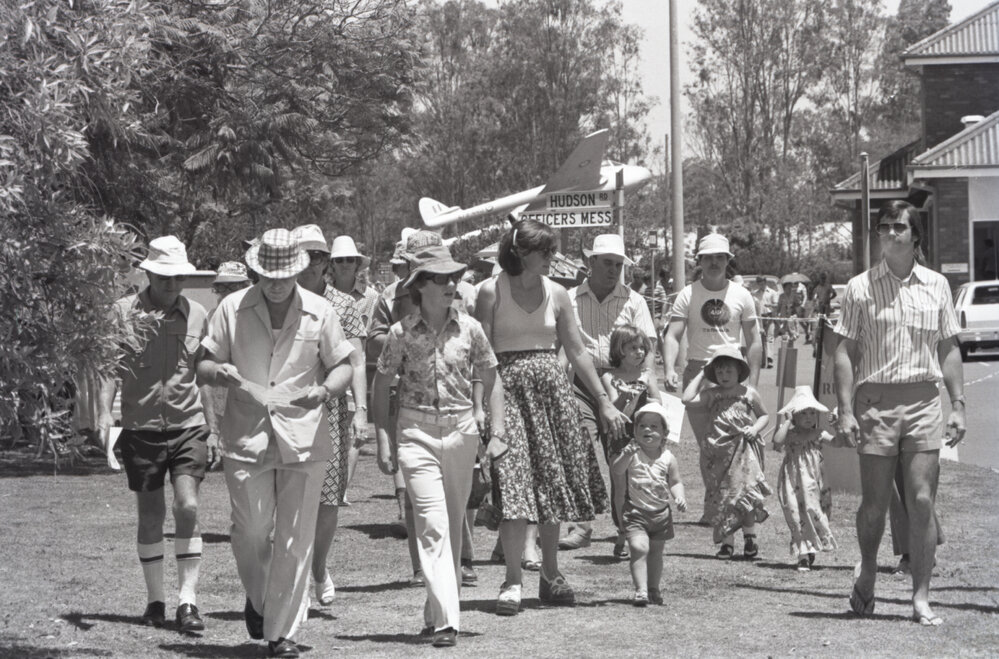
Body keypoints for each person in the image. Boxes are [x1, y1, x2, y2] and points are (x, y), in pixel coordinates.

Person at [198, 228, 354, 658]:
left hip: (305, 438)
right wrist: (220, 373)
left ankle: (279, 633)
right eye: (267, 274)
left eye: (284, 274)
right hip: (246, 436)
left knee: (294, 538)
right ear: (255, 270)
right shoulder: (231, 308)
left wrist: (324, 392)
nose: (276, 282)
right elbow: (204, 364)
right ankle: (261, 597)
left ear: (299, 270)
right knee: (250, 530)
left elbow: (343, 366)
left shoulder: (321, 312)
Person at [474, 219, 626, 615]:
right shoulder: (491, 291)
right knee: (512, 485)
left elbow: (577, 351)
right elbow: (483, 358)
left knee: (549, 485)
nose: (551, 259)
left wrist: (603, 399)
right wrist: (480, 408)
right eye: (545, 253)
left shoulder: (558, 294)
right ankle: (511, 580)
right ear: (521, 252)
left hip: (551, 395)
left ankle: (551, 576)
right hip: (504, 393)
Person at [833, 200, 966, 626]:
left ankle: (921, 597)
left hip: (924, 400)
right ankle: (868, 570)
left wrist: (958, 404)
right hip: (875, 402)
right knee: (874, 503)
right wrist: (845, 408)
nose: (890, 233)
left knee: (922, 500)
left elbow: (948, 347)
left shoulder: (938, 286)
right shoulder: (859, 288)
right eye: (884, 226)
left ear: (915, 236)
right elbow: (845, 350)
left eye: (899, 227)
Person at [373, 244, 506, 648]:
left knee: (451, 522)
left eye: (454, 278)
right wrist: (383, 436)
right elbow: (382, 385)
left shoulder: (471, 328)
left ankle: (434, 613)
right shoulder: (399, 333)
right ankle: (448, 620)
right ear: (421, 286)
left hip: (462, 431)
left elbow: (491, 375)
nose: (452, 284)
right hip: (415, 433)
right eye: (442, 278)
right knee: (431, 524)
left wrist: (496, 430)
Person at [96, 235, 215, 633]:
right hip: (141, 427)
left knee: (189, 506)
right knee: (151, 516)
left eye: (179, 277)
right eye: (166, 277)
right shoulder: (122, 313)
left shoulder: (198, 314)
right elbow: (109, 369)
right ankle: (156, 601)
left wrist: (211, 428)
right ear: (148, 273)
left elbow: (204, 373)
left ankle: (187, 602)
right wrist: (102, 416)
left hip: (188, 425)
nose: (173, 285)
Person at [367, 229, 479, 586]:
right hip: (408, 405)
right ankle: (422, 566)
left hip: (454, 408)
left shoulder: (460, 297)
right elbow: (375, 343)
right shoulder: (388, 297)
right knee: (417, 496)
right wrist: (407, 342)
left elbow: (477, 354)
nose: (448, 281)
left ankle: (461, 558)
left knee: (455, 496)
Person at [560, 234, 659, 556]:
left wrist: (647, 388)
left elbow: (647, 347)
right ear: (590, 263)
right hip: (582, 384)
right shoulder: (570, 298)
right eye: (607, 263)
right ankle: (580, 526)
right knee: (579, 449)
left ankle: (627, 528)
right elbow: (561, 345)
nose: (614, 270)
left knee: (625, 458)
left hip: (625, 385)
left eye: (618, 264)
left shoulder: (635, 301)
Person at [290, 225, 368, 608]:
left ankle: (319, 567)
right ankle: (299, 575)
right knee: (294, 495)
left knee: (329, 500)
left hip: (332, 410)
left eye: (315, 257)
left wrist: (361, 410)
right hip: (288, 411)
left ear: (324, 263)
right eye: (302, 257)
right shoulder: (281, 299)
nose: (309, 265)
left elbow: (357, 360)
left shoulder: (345, 305)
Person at [662, 233, 762, 524]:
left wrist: (752, 383)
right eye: (709, 258)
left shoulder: (742, 295)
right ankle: (714, 505)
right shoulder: (687, 294)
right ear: (700, 261)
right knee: (709, 446)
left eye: (721, 257)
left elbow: (755, 340)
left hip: (733, 375)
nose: (715, 262)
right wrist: (669, 367)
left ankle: (736, 505)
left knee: (735, 445)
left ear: (728, 261)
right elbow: (672, 334)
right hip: (699, 374)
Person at [682, 346, 770, 558]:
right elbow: (686, 399)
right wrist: (703, 373)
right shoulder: (711, 394)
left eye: (729, 371)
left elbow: (764, 416)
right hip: (717, 453)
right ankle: (727, 543)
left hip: (742, 452)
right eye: (719, 372)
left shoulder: (749, 393)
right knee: (722, 497)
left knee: (744, 493)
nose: (724, 376)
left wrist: (755, 428)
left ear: (739, 371)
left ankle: (750, 538)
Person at [610, 402, 686, 607]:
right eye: (642, 426)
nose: (647, 430)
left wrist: (679, 496)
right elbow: (617, 470)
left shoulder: (668, 458)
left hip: (661, 514)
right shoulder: (632, 453)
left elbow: (676, 481)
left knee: (655, 553)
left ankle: (654, 588)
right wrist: (625, 454)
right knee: (638, 547)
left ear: (665, 433)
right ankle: (641, 590)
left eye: (654, 427)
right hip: (635, 512)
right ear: (634, 431)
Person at [600, 325, 662, 557]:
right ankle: (622, 531)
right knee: (620, 485)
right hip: (618, 434)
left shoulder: (647, 375)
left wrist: (644, 397)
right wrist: (626, 396)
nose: (639, 352)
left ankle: (641, 527)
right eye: (633, 347)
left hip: (643, 433)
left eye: (642, 348)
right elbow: (612, 407)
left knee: (644, 480)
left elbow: (657, 401)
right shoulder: (609, 377)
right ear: (620, 350)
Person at [772, 386, 840, 571]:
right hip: (792, 481)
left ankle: (811, 545)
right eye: (803, 413)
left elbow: (837, 442)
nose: (809, 416)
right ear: (794, 415)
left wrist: (837, 426)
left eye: (812, 412)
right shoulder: (790, 434)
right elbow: (777, 443)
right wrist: (786, 422)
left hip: (813, 483)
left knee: (812, 511)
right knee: (795, 514)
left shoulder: (818, 434)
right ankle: (803, 552)